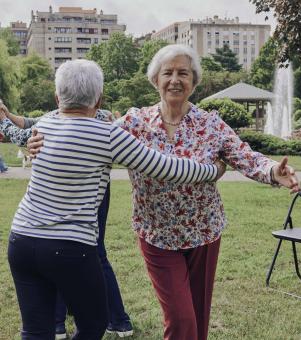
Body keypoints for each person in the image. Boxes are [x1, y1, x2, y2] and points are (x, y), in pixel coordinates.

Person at [27, 46, 300, 340]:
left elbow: (246, 157)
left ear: (193, 82)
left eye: (183, 73)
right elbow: (85, 135)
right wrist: (38, 142)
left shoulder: (211, 124)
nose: (175, 79)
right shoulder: (134, 123)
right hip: (156, 236)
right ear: (155, 79)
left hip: (204, 233)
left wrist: (273, 170)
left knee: (197, 317)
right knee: (181, 318)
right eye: (167, 72)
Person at [0, 59, 225, 340]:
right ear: (99, 99)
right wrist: (213, 169)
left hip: (21, 240)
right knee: (94, 324)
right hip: (71, 247)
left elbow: (22, 134)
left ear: (57, 98)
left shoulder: (46, 123)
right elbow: (169, 168)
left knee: (35, 330)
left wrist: (6, 119)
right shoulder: (107, 134)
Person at [0, 106, 133, 339]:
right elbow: (30, 123)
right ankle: (72, 322)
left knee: (76, 252)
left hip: (79, 203)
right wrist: (7, 117)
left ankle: (68, 322)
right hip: (74, 214)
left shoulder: (95, 120)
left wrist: (4, 121)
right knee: (73, 253)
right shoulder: (61, 118)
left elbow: (28, 129)